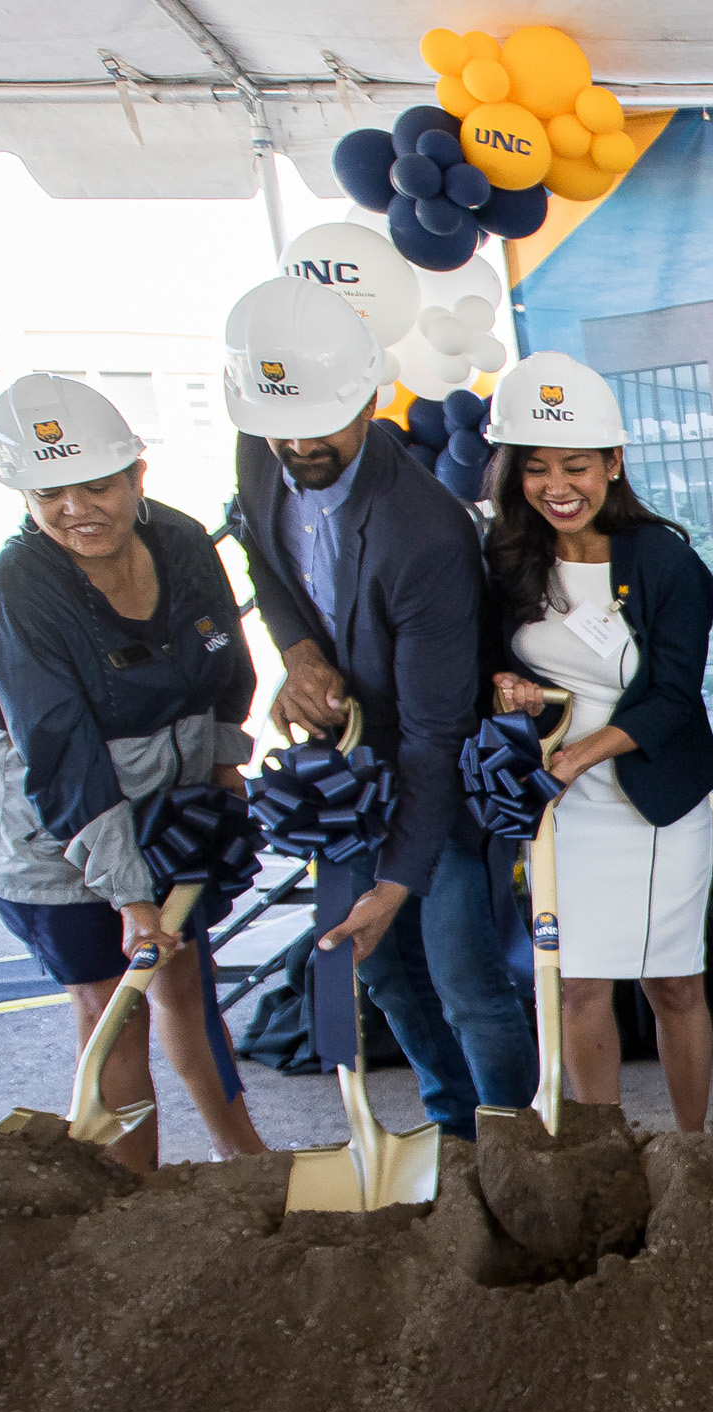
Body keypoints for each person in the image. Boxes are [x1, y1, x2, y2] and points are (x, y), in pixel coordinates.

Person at [222, 276, 518, 1138]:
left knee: (465, 980)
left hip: (439, 776)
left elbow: (434, 731)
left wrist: (396, 882)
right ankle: (452, 1132)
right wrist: (299, 651)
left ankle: (509, 1145)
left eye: (321, 420)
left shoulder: (423, 533)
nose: (300, 443)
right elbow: (266, 564)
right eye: (283, 424)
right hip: (349, 770)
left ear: (365, 397)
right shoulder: (261, 446)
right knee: (384, 971)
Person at [0, 374, 265, 1170]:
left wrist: (224, 776)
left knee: (187, 983)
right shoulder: (13, 596)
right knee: (114, 1007)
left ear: (137, 476)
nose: (76, 509)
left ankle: (250, 1163)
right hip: (51, 831)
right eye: (48, 493)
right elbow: (60, 755)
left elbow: (224, 670)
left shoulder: (185, 542)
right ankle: (134, 1207)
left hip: (163, 803)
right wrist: (130, 898)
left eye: (96, 485)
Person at [478, 355, 713, 1133]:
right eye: (537, 468)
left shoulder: (665, 561)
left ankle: (693, 1145)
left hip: (649, 798)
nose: (559, 486)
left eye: (577, 466)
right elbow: (488, 656)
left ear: (613, 464)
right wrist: (506, 685)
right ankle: (604, 1151)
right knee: (578, 983)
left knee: (672, 985)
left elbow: (675, 694)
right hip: (558, 805)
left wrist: (584, 755)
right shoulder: (506, 557)